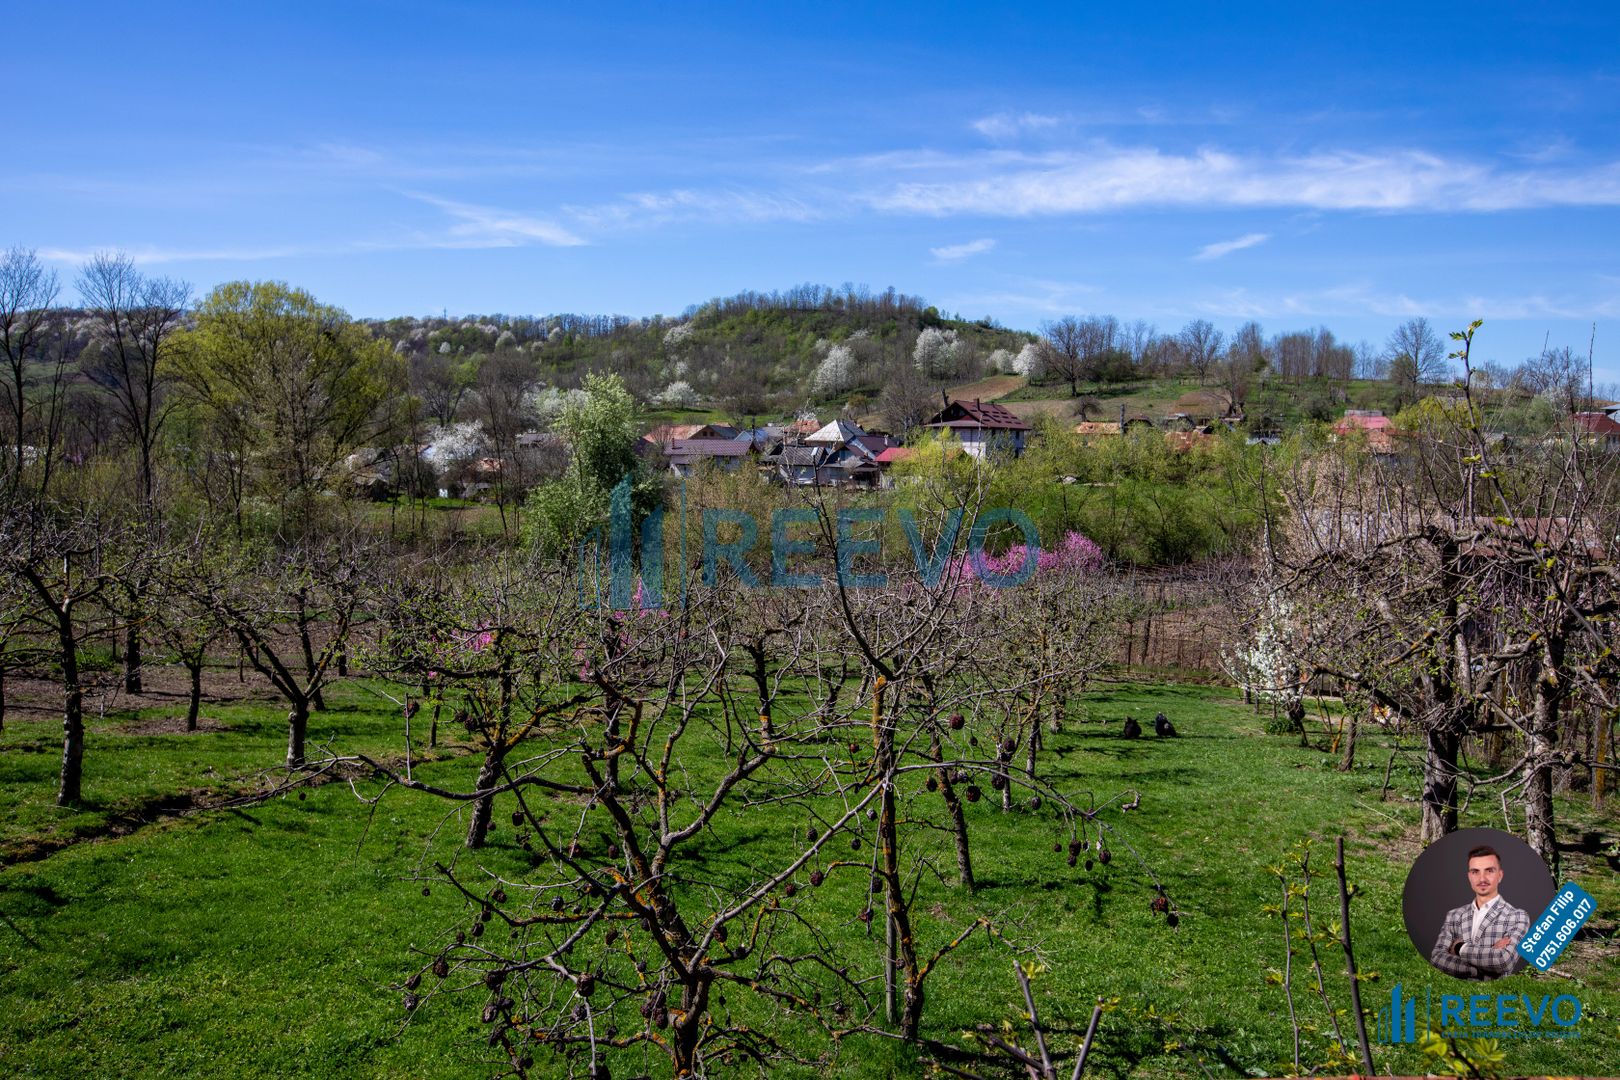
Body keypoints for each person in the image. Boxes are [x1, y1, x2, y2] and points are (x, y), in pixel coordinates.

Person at [1428, 845, 1530, 979]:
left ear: (1500, 875)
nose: (1482, 879)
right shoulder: (1454, 915)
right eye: (1475, 872)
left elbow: (1503, 961)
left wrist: (1459, 948)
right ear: (1469, 876)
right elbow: (1437, 958)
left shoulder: (1517, 917)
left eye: (1489, 871)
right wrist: (1480, 970)